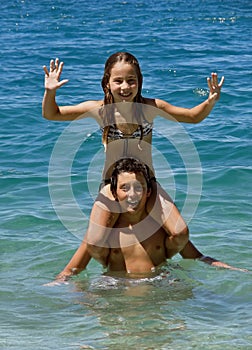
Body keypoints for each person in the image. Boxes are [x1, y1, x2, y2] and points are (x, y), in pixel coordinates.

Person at [42, 52, 224, 267]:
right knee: (96, 241)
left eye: (131, 81)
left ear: (139, 82)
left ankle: (159, 262)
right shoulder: (99, 110)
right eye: (118, 81)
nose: (125, 87)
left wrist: (210, 101)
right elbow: (52, 114)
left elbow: (193, 117)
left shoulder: (151, 108)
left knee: (180, 232)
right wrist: (50, 92)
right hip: (112, 185)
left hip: (148, 184)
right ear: (107, 83)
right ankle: (113, 269)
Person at [51, 158, 245, 284]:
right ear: (114, 193)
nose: (132, 194)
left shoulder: (159, 227)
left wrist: (233, 271)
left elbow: (196, 257)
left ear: (148, 191)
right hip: (117, 287)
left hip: (160, 283)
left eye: (139, 187)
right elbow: (73, 269)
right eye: (124, 188)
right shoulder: (106, 231)